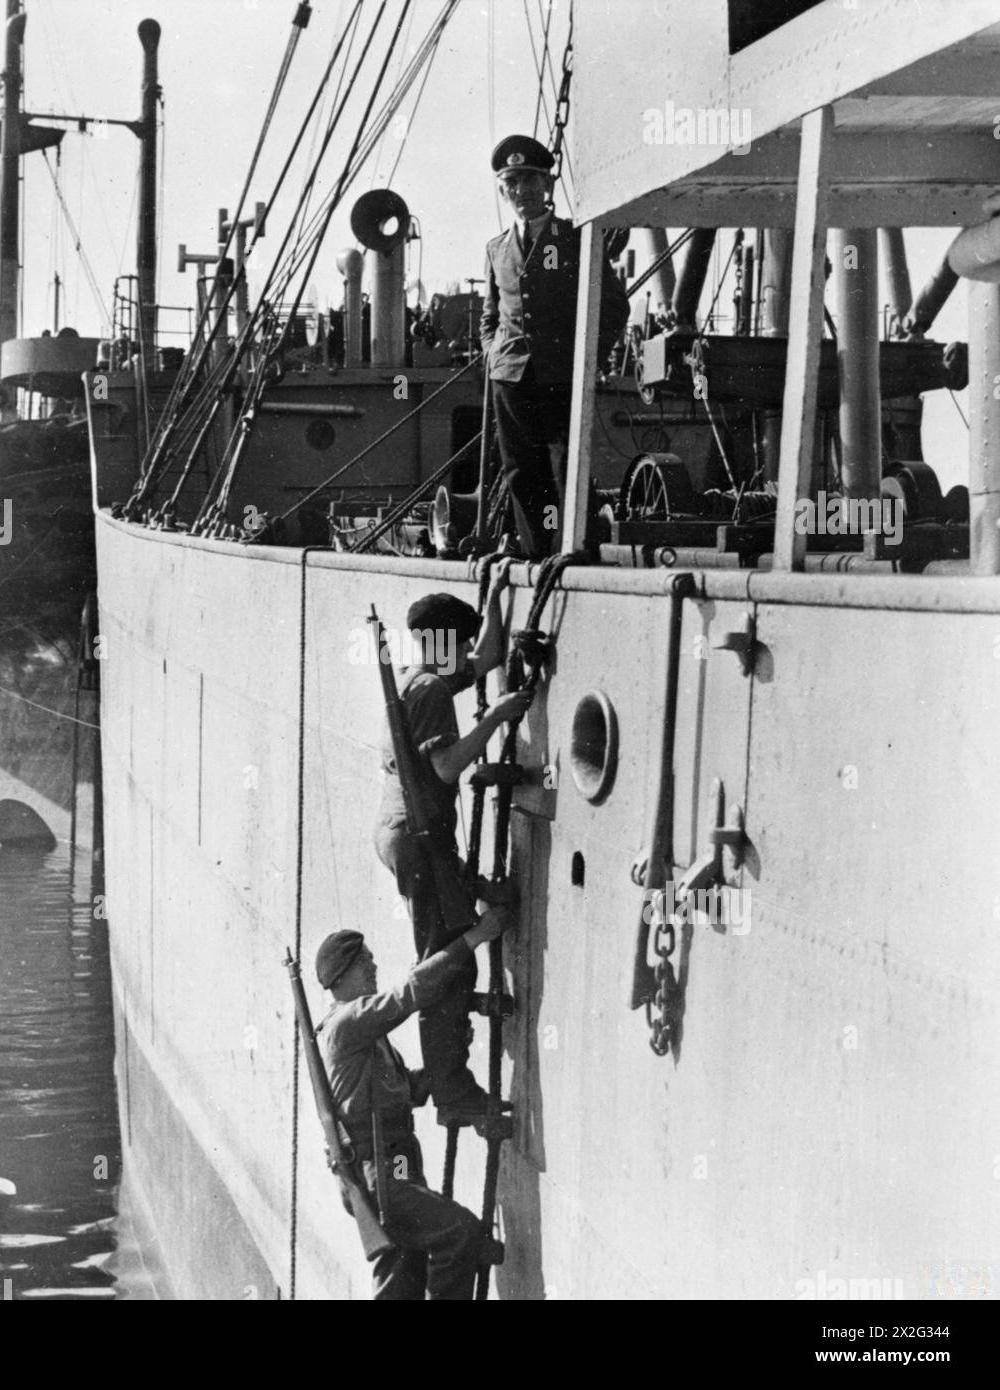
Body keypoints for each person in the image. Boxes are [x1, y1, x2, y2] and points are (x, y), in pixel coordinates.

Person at [372, 578, 533, 1124]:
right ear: (441, 641)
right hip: (419, 838)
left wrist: (495, 587)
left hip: (408, 832)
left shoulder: (419, 677)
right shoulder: (434, 692)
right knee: (448, 961)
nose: (466, 654)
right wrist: (497, 717)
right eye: (458, 644)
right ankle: (454, 1094)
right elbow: (445, 767)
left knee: (458, 920)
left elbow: (486, 654)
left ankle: (455, 1066)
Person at [315, 910, 510, 1300]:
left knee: (404, 1270)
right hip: (381, 1174)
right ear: (342, 975)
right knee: (459, 1233)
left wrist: (455, 1048)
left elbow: (409, 1091)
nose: (373, 964)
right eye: (363, 961)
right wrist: (473, 938)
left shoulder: (366, 1036)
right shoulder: (346, 1024)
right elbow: (409, 994)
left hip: (399, 1164)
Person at [479, 133, 630, 557]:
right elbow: (490, 315)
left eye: (530, 181)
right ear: (503, 190)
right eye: (512, 183)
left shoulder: (576, 239)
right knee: (521, 469)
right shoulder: (496, 249)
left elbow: (615, 307)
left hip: (561, 373)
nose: (521, 191)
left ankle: (574, 548)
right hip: (510, 376)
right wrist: (494, 351)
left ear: (547, 185)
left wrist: (589, 359)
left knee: (565, 463)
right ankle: (535, 552)